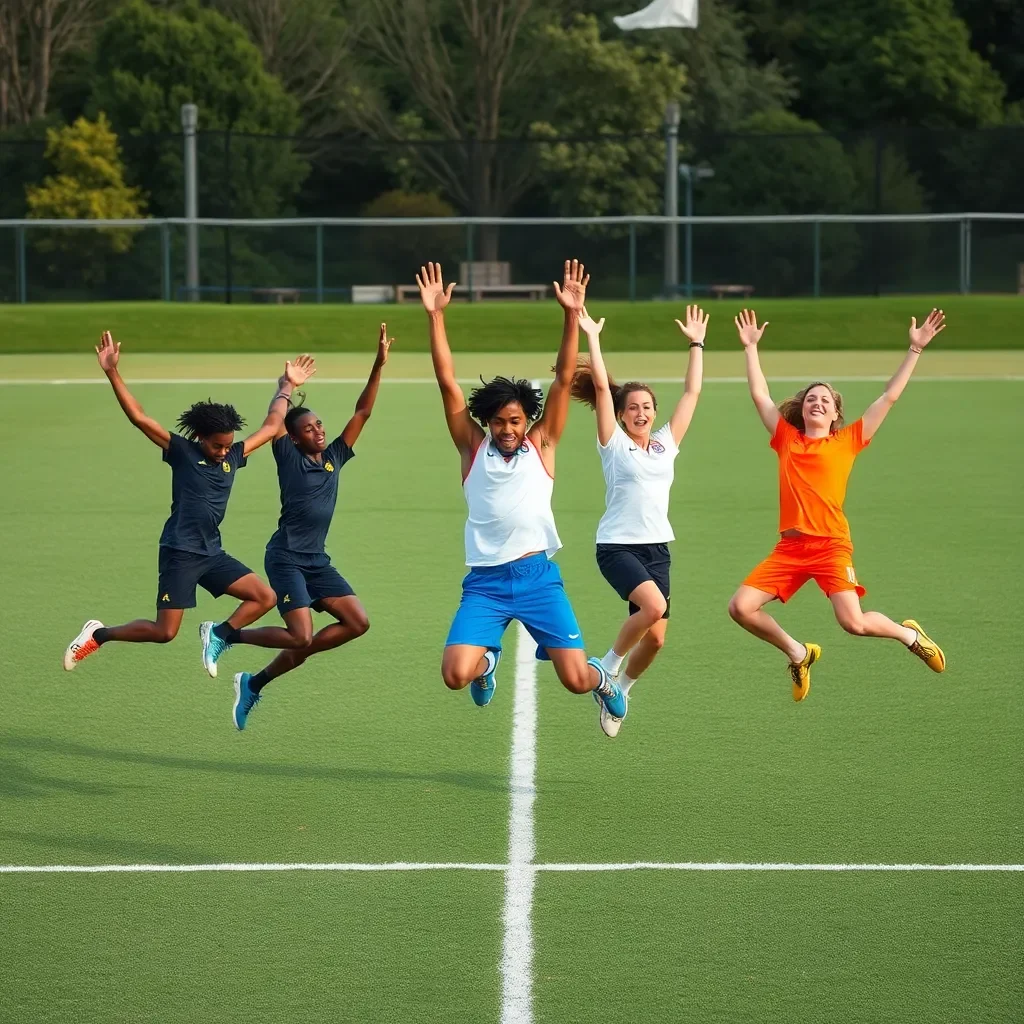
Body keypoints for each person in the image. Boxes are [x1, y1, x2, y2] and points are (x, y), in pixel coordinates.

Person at [415, 259, 626, 724]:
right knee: (455, 674)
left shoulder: (542, 443)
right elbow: (447, 383)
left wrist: (572, 315)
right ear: (486, 422)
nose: (507, 429)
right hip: (486, 584)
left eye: (514, 421)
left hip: (536, 579)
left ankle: (604, 680)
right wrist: (436, 316)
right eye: (498, 421)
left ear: (526, 421)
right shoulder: (472, 448)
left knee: (574, 680)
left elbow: (564, 379)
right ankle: (487, 662)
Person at [62, 331, 316, 676]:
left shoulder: (233, 456)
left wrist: (285, 385)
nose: (224, 451)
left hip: (212, 552)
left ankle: (220, 634)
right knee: (164, 632)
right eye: (217, 446)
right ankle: (99, 634)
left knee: (265, 597)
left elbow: (272, 426)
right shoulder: (181, 452)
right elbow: (140, 418)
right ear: (201, 439)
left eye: (227, 445)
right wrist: (112, 372)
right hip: (180, 550)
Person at [727, 308, 948, 700]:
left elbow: (890, 397)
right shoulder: (786, 438)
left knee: (854, 623)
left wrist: (914, 350)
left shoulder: (848, 440)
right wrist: (750, 349)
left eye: (824, 400)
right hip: (791, 548)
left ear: (835, 413)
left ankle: (909, 634)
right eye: (811, 398)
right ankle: (798, 653)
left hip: (830, 545)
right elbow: (760, 395)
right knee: (741, 607)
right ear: (803, 408)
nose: (817, 403)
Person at [230, 325, 392, 730]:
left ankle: (255, 681)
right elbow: (275, 422)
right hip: (285, 559)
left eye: (319, 424)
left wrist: (378, 365)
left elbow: (363, 412)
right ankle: (226, 635)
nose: (318, 430)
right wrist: (285, 386)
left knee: (357, 622)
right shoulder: (287, 455)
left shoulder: (335, 455)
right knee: (301, 636)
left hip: (316, 560)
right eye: (309, 429)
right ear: (295, 439)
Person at [571, 305, 707, 737]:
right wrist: (592, 336)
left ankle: (621, 691)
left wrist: (696, 344)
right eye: (633, 407)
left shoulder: (665, 444)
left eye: (648, 407)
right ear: (622, 413)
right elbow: (601, 388)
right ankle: (607, 666)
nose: (642, 413)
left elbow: (691, 395)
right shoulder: (613, 444)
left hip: (657, 549)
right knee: (654, 606)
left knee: (658, 637)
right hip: (617, 546)